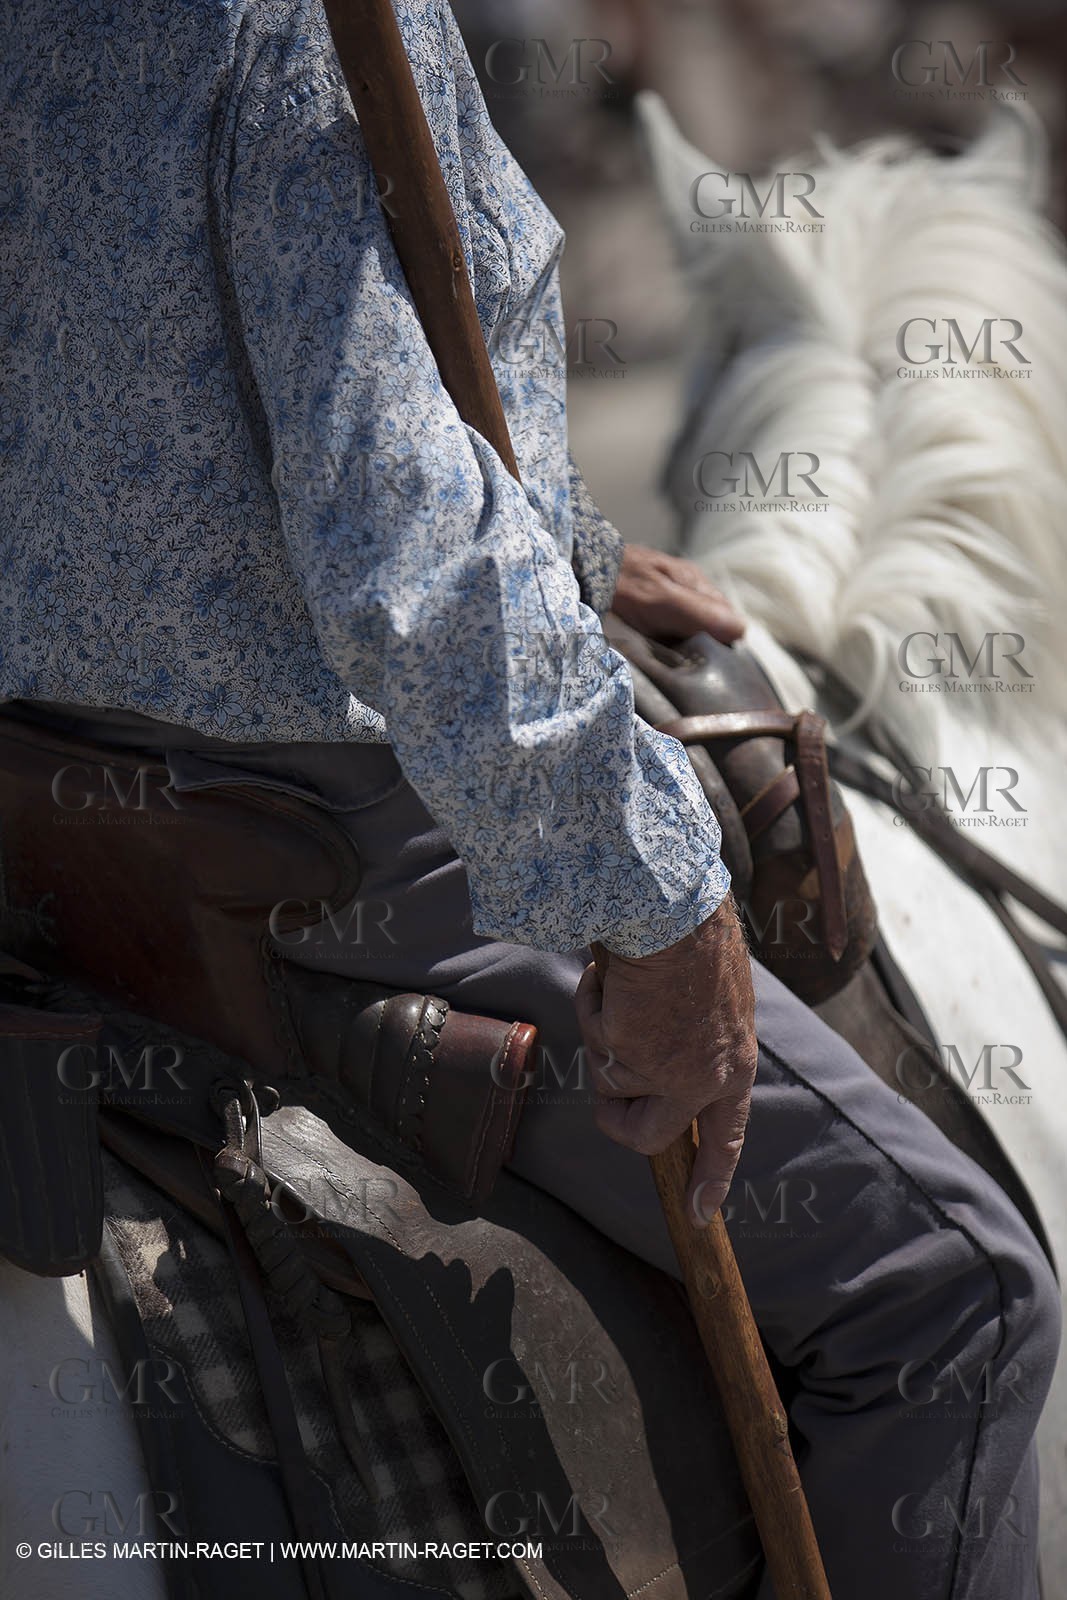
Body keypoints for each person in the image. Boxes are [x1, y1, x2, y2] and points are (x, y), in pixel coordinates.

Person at [0, 3, 1058, 1597]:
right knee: (957, 1299)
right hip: (316, 829)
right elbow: (403, 562)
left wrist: (553, 536)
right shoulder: (287, 18)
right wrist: (654, 896)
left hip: (40, 797)